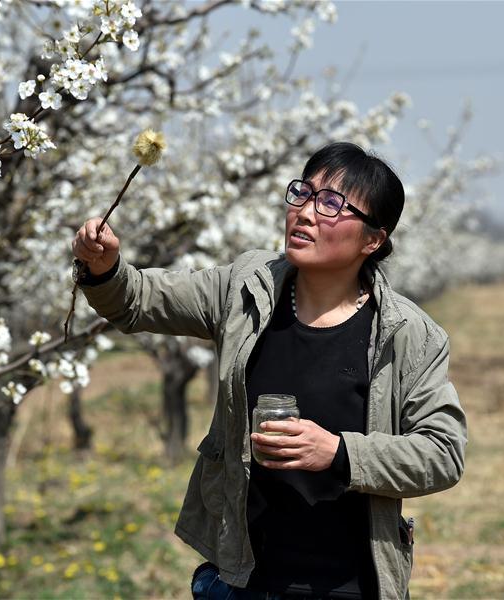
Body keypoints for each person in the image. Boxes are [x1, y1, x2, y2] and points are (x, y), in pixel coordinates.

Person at [71, 142, 467, 599]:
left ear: (372, 239)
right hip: (242, 579)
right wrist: (104, 268)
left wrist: (338, 454)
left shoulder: (407, 334)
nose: (306, 212)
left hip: (348, 583)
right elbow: (137, 300)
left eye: (332, 203)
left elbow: (443, 454)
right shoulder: (246, 289)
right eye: (303, 193)